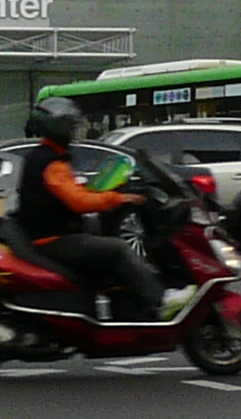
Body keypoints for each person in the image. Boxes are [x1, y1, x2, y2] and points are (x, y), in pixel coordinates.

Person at [17, 97, 183, 323]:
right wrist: (118, 198)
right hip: (54, 240)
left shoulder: (47, 158)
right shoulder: (51, 163)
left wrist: (101, 190)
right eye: (72, 127)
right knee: (118, 249)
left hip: (51, 237)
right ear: (60, 128)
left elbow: (69, 193)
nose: (76, 132)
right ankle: (161, 301)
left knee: (105, 250)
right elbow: (79, 202)